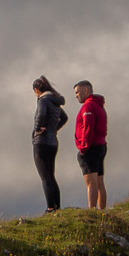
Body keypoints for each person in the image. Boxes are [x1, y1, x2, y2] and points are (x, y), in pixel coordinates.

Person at [30, 76, 67, 212]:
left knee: (45, 177)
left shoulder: (43, 100)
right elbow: (64, 118)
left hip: (41, 142)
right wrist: (53, 129)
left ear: (37, 90)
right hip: (53, 142)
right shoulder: (54, 101)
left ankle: (50, 208)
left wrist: (37, 128)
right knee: (51, 175)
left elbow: (40, 115)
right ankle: (57, 206)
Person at [73, 79, 108, 209]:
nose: (76, 95)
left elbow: (88, 127)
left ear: (86, 90)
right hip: (100, 146)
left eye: (78, 92)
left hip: (91, 148)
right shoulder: (99, 106)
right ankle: (102, 210)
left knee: (90, 182)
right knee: (99, 182)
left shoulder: (88, 107)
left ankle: (92, 210)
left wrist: (83, 147)